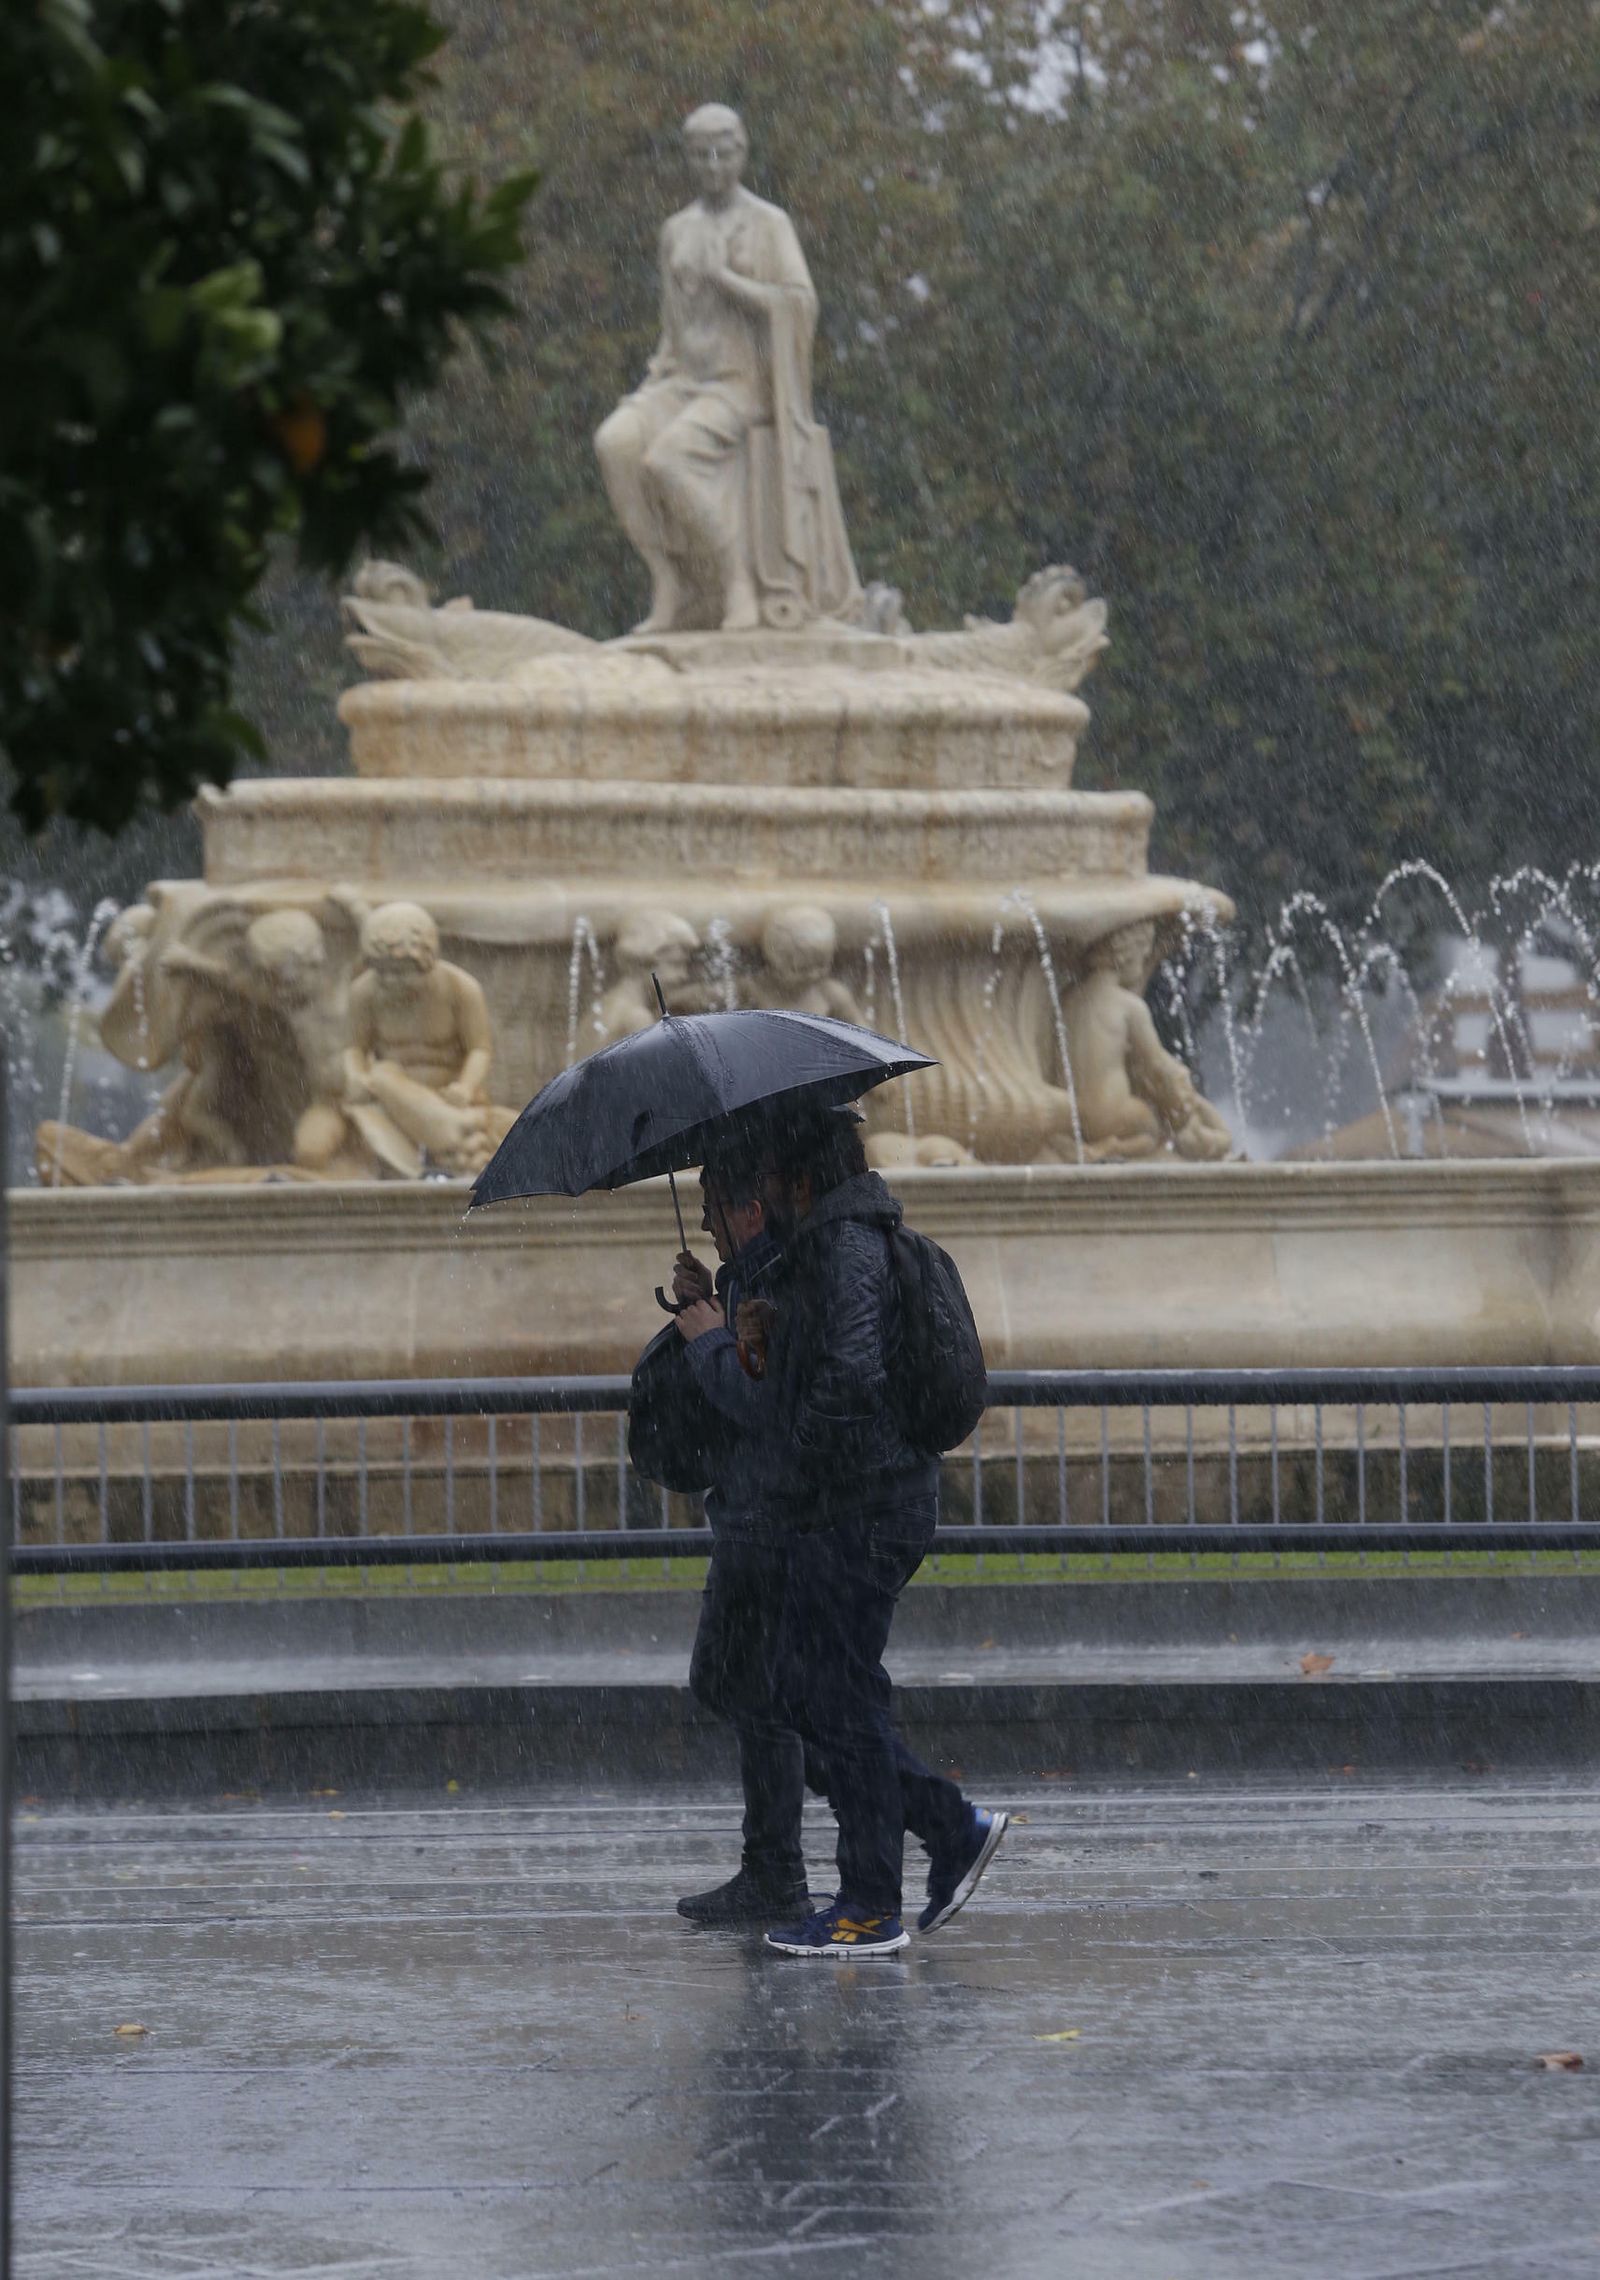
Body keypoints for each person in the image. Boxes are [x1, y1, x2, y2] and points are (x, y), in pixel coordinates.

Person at [685, 1106, 1007, 1958]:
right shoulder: (835, 1241)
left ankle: (872, 1901)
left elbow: (847, 1375)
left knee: (833, 1699)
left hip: (862, 1506)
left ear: (798, 1181)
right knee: (813, 1692)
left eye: (768, 1182)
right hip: (860, 1501)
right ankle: (946, 1826)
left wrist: (792, 1439)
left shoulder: (845, 1245)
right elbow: (820, 1358)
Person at [635, 1154, 830, 1924]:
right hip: (751, 1515)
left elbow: (760, 1403)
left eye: (717, 1206)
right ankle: (773, 1865)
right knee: (738, 1684)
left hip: (770, 1523)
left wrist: (711, 1337)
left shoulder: (778, 1280)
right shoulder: (752, 1274)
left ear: (752, 1208)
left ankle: (863, 1804)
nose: (708, 1220)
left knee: (746, 1687)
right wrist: (705, 1304)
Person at [593, 103, 860, 634]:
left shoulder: (768, 223)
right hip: (680, 380)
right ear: (687, 159)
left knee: (668, 460)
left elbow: (798, 304)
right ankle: (668, 580)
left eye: (724, 152)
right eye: (701, 154)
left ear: (742, 153)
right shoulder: (677, 229)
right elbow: (673, 324)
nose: (713, 164)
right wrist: (653, 383)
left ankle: (734, 580)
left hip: (741, 384)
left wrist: (727, 280)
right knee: (615, 442)